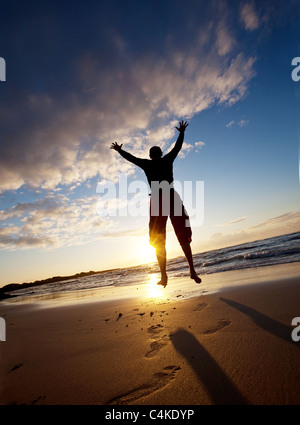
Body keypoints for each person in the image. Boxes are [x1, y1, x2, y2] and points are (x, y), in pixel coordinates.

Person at [110, 120, 201, 287]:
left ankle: (164, 276)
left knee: (159, 240)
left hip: (158, 200)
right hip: (172, 196)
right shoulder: (167, 160)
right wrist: (181, 133)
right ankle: (192, 270)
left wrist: (119, 150)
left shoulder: (147, 164)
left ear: (151, 156)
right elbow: (177, 147)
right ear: (161, 153)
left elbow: (131, 159)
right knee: (182, 235)